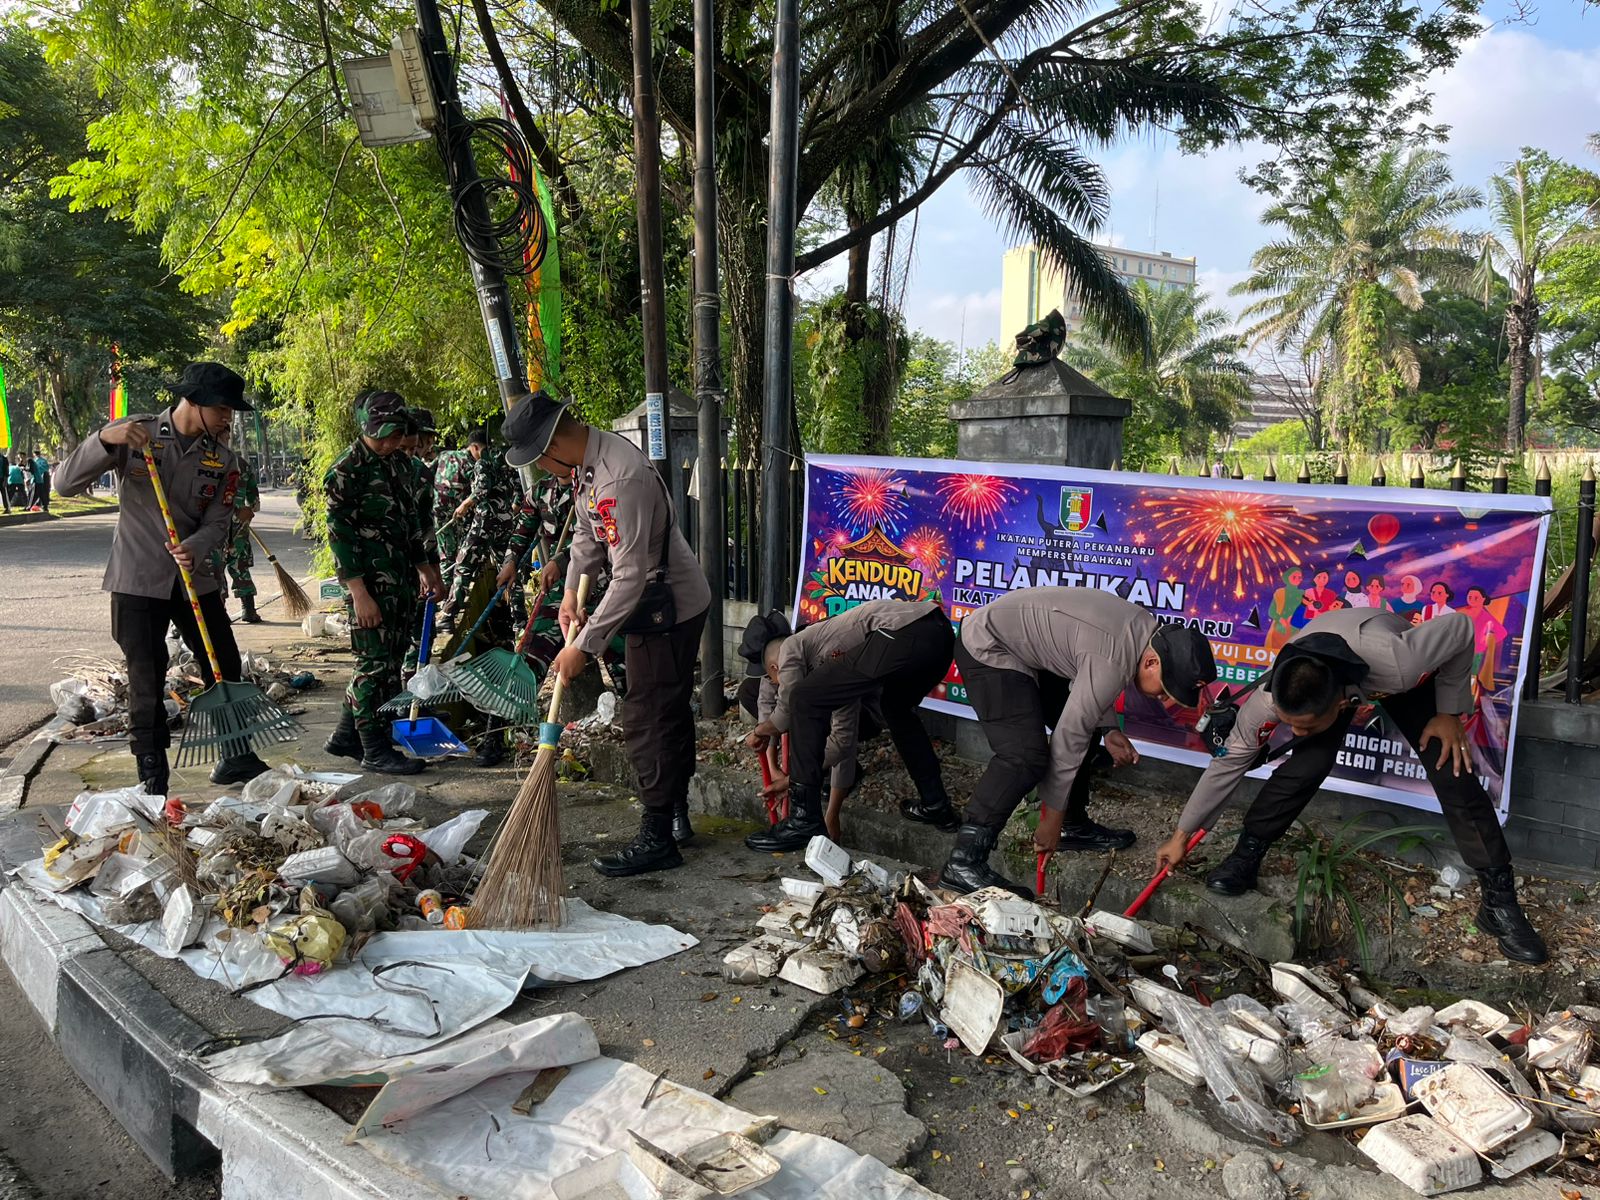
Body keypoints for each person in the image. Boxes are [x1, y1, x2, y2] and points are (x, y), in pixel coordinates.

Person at [1153, 607, 1547, 964]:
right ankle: (1246, 856)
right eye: (1290, 723)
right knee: (1308, 762)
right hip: (1324, 670)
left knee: (1450, 768)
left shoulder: (1401, 662)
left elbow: (1459, 627)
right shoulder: (1274, 695)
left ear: (1343, 706)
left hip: (1383, 664)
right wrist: (1181, 836)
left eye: (1304, 725)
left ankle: (1498, 902)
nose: (1294, 732)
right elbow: (1228, 765)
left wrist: (1448, 711)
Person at [503, 391, 711, 876]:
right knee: (666, 710)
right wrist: (573, 592)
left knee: (647, 716)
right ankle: (675, 814)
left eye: (539, 460)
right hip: (652, 602)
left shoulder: (620, 477)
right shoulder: (587, 465)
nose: (542, 470)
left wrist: (583, 645)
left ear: (553, 445)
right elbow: (586, 534)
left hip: (668, 609)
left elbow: (630, 577)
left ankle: (658, 836)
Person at [52, 362, 269, 794]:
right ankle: (152, 774)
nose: (227, 418)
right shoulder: (136, 434)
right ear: (194, 401)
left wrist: (197, 546)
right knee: (146, 676)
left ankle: (236, 754)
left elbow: (219, 520)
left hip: (194, 579)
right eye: (222, 408)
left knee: (224, 663)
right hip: (137, 578)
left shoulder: (223, 459)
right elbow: (64, 484)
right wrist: (103, 439)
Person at [938, 589, 1218, 897]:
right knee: (1023, 757)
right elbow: (1070, 735)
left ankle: (1073, 825)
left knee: (1089, 726)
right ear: (1151, 662)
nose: (1163, 699)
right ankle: (963, 861)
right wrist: (1050, 820)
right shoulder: (1114, 656)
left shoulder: (1142, 634)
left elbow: (1092, 674)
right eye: (1165, 690)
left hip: (1028, 650)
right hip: (990, 645)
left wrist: (1109, 729)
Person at [743, 598, 959, 854]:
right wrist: (789, 777)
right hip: (939, 635)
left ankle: (803, 820)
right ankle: (936, 804)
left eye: (774, 680)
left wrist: (758, 732)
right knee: (896, 710)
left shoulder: (793, 646)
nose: (776, 686)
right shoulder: (836, 666)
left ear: (776, 667)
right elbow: (842, 741)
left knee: (803, 698)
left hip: (903, 632)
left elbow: (786, 711)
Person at [321, 391, 443, 776]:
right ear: (367, 428)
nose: (392, 442)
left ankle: (347, 736)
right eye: (384, 436)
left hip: (400, 579)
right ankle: (374, 749)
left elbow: (411, 521)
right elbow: (340, 537)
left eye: (397, 435)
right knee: (373, 665)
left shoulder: (400, 465)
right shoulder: (346, 470)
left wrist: (425, 568)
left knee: (390, 662)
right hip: (369, 585)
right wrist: (358, 593)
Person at [225, 452, 262, 623]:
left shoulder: (206, 459)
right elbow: (254, 502)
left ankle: (219, 613)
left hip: (213, 523)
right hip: (238, 522)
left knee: (214, 568)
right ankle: (248, 609)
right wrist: (246, 511)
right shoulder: (242, 463)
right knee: (239, 565)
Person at [30, 448, 50, 513]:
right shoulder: (44, 461)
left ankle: (30, 505)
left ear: (34, 454)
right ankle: (44, 506)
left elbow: (34, 470)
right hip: (42, 479)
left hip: (38, 479)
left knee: (34, 493)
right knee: (42, 493)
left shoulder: (34, 461)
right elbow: (46, 468)